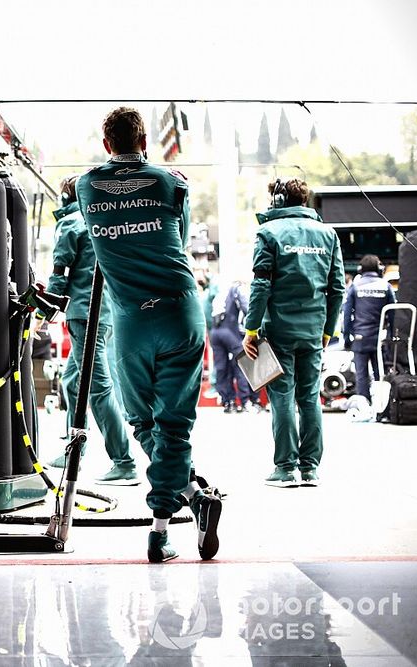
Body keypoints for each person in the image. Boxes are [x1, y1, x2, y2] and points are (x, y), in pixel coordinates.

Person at [76, 107, 222, 563]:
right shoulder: (172, 182)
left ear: (106, 145)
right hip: (180, 310)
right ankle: (172, 517)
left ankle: (184, 499)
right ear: (144, 143)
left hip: (131, 322)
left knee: (142, 421)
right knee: (175, 423)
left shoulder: (84, 186)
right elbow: (175, 233)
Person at [243, 178, 345, 487]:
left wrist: (251, 329)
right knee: (310, 396)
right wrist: (327, 330)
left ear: (277, 201)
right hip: (313, 331)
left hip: (277, 330)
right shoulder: (329, 235)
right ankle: (310, 468)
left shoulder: (267, 232)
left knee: (283, 396)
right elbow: (337, 288)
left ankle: (285, 468)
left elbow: (261, 284)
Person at [43, 175, 137, 486]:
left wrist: (47, 307)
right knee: (72, 381)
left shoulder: (71, 223)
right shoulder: (106, 220)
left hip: (85, 313)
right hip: (106, 313)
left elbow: (61, 271)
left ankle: (124, 461)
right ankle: (76, 453)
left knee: (97, 388)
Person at [343, 254, 395, 401]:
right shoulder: (386, 286)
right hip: (380, 339)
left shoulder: (355, 286)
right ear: (379, 268)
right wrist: (390, 336)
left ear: (360, 269)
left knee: (361, 375)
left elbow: (347, 315)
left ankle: (364, 406)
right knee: (381, 375)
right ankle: (381, 408)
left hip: (360, 338)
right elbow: (393, 315)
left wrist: (348, 337)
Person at [209, 279, 257, 412]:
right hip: (230, 332)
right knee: (241, 365)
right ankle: (245, 401)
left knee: (221, 367)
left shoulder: (220, 291)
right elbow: (247, 307)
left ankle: (228, 402)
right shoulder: (238, 288)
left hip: (215, 332)